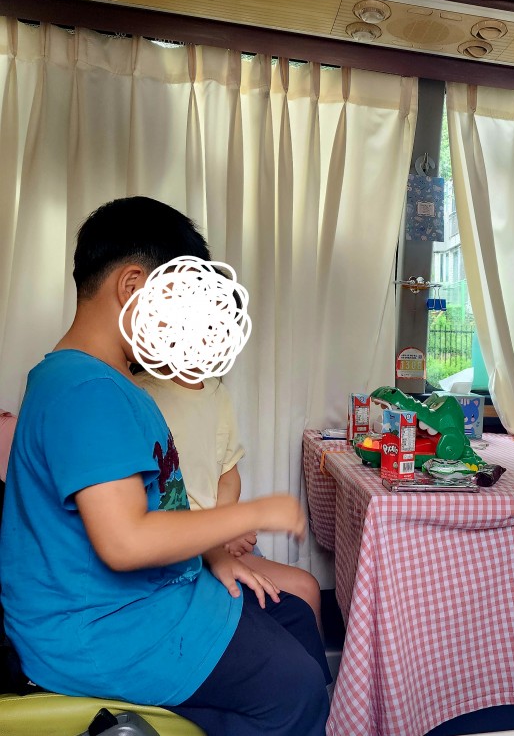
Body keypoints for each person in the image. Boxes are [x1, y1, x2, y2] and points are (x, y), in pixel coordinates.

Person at [0, 197, 329, 736]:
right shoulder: (86, 392)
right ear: (132, 286)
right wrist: (255, 513)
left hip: (153, 600)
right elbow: (125, 541)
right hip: (103, 632)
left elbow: (161, 508)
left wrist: (215, 555)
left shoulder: (109, 384)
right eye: (182, 303)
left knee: (292, 615)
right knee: (295, 688)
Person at [133, 367, 323, 632]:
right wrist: (220, 533)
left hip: (221, 538)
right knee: (304, 589)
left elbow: (228, 474)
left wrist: (226, 527)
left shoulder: (217, 393)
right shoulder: (142, 394)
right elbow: (155, 507)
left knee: (306, 590)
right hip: (183, 547)